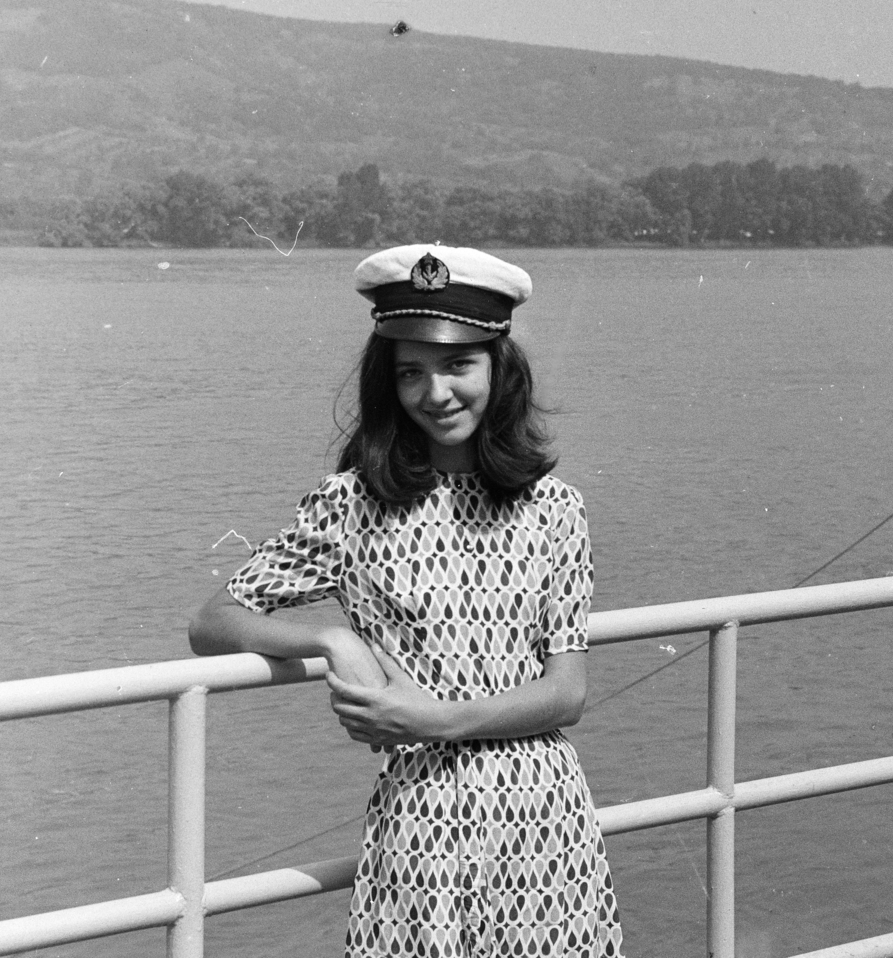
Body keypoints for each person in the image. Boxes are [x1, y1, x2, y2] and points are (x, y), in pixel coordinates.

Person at [188, 244, 623, 958]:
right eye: (411, 372)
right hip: (422, 822)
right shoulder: (353, 506)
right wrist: (332, 639)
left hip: (544, 820)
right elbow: (213, 619)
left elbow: (567, 691)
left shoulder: (555, 510)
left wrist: (436, 717)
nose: (436, 392)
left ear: (498, 367)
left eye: (458, 365)